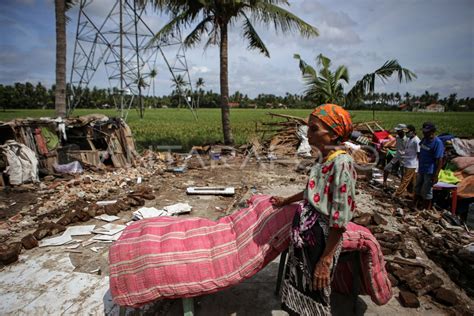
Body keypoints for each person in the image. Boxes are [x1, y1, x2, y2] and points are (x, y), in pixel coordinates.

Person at [270, 104, 356, 316]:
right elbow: (312, 191)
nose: (308, 134)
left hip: (321, 241)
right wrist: (286, 200)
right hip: (305, 237)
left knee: (316, 291)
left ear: (334, 134)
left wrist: (326, 260)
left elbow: (340, 217)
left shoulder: (342, 163)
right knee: (299, 287)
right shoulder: (322, 159)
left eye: (314, 129)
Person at [415, 122, 444, 210]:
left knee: (426, 191)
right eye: (423, 131)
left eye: (426, 132)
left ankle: (425, 209)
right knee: (417, 187)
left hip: (430, 171)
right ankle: (415, 205)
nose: (424, 133)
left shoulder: (437, 143)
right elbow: (420, 150)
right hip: (421, 168)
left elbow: (439, 160)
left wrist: (436, 175)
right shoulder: (424, 139)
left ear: (432, 131)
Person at [395, 124, 420, 198]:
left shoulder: (416, 141)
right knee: (412, 181)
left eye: (407, 132)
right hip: (407, 161)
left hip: (412, 164)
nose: (406, 134)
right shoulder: (409, 139)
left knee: (405, 179)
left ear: (412, 132)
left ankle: (397, 193)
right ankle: (412, 194)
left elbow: (419, 153)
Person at [383, 124, 408, 188]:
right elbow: (396, 145)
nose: (397, 132)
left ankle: (402, 188)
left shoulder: (407, 139)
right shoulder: (397, 137)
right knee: (386, 168)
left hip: (404, 158)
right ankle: (384, 182)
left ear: (403, 131)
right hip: (397, 156)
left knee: (403, 174)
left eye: (399, 131)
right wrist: (389, 146)